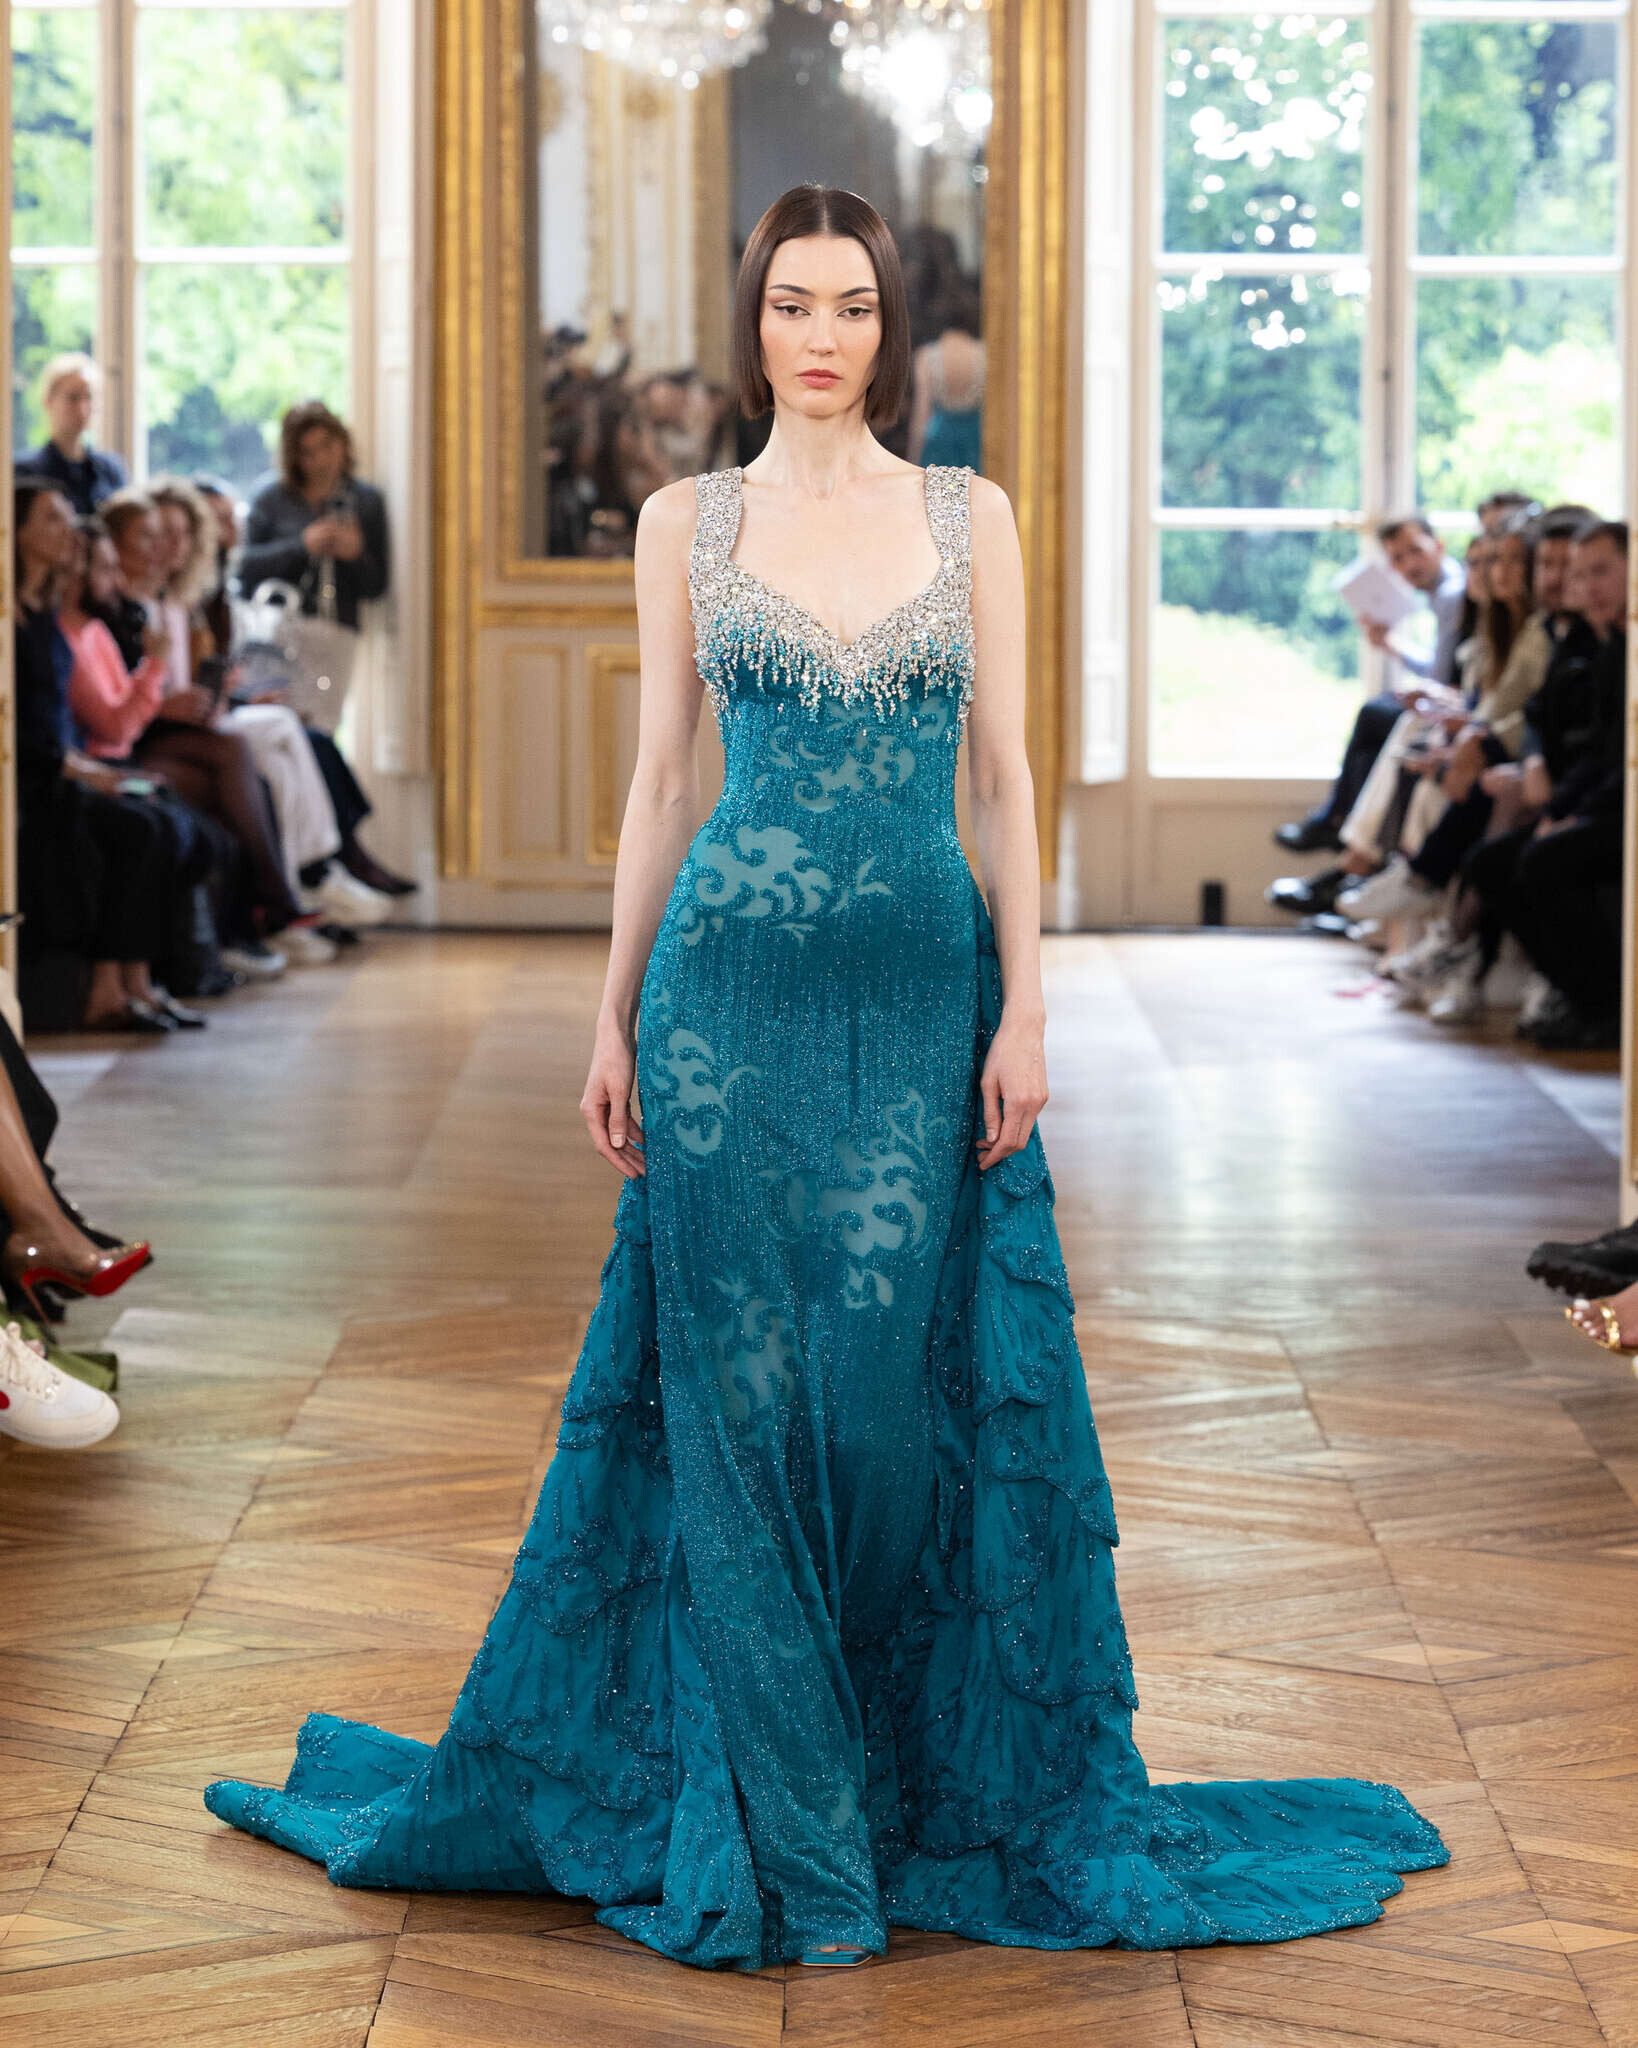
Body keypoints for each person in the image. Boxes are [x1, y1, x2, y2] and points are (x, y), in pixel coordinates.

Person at [202, 184, 1447, 1970]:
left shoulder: (966, 514)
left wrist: (1026, 1012)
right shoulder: (686, 521)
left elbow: (1003, 779)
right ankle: (773, 1817)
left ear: (885, 324)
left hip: (923, 1006)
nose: (820, 336)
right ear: (753, 321)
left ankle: (884, 1770)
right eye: (791, 303)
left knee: (884, 1408)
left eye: (851, 305)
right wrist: (612, 1017)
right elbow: (660, 784)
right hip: (723, 1006)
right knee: (738, 1405)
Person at [13, 480, 199, 1032]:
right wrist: (88, 772)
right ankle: (104, 991)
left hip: (62, 763)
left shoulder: (43, 613)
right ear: (16, 531)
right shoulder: (15, 619)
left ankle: (138, 982)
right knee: (137, 828)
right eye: (51, 519)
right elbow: (34, 734)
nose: (67, 531)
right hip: (34, 776)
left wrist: (91, 771)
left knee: (158, 818)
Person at [238, 402, 416, 900]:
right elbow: (245, 569)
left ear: (342, 445)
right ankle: (331, 860)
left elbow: (377, 585)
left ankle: (328, 863)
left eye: (326, 447)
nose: (318, 460)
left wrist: (355, 554)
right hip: (280, 636)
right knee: (294, 739)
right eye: (307, 451)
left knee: (318, 733)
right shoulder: (273, 499)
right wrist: (303, 544)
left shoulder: (365, 501)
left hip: (335, 635)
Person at [1271, 514, 1468, 873]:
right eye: (1398, 558)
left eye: (1415, 551)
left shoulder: (1450, 595)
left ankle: (1340, 827)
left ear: (1438, 546)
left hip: (1454, 706)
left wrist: (1396, 649)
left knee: (1375, 714)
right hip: (1447, 698)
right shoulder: (1441, 594)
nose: (1409, 564)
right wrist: (1391, 645)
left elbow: (1440, 675)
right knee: (1371, 744)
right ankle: (1349, 846)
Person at [15, 353, 128, 515]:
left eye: (89, 397)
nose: (82, 408)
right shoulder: (25, 473)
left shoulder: (111, 470)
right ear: (48, 401)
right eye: (73, 398)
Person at [907, 278, 984, 472]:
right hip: (976, 443)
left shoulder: (927, 356)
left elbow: (921, 415)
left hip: (939, 444)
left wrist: (912, 462)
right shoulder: (984, 354)